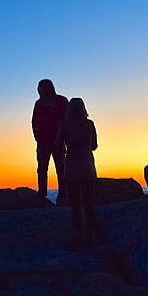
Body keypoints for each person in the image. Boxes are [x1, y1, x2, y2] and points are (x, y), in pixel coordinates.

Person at [56, 97, 98, 248]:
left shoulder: (64, 124)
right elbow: (95, 145)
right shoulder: (89, 124)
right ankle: (91, 236)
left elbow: (58, 144)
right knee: (88, 203)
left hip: (72, 165)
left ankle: (77, 236)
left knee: (75, 205)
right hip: (87, 164)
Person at [32, 79, 69, 202]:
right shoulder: (39, 104)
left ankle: (63, 193)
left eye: (41, 88)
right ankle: (42, 193)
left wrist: (65, 138)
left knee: (61, 168)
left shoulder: (62, 101)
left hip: (58, 141)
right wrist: (38, 138)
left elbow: (67, 120)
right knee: (42, 168)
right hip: (43, 142)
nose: (39, 90)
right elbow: (34, 122)